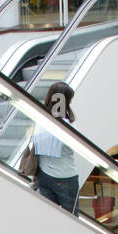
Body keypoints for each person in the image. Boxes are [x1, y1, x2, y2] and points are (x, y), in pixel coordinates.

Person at [33, 81, 80, 213]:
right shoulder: (67, 125)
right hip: (65, 176)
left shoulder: (40, 118)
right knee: (71, 219)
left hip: (43, 174)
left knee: (50, 215)